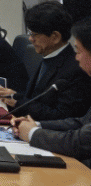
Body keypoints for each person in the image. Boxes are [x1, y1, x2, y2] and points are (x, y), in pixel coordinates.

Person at [12, 17, 91, 166]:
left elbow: (79, 142)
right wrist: (37, 125)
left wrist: (33, 133)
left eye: (79, 51)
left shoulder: (73, 71)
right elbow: (80, 122)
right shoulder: (47, 59)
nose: (76, 57)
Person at [0, 2, 91, 120]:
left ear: (55, 37)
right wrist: (15, 96)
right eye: (30, 33)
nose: (31, 39)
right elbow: (35, 99)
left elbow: (61, 116)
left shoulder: (77, 69)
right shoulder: (48, 56)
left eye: (34, 34)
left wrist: (18, 102)